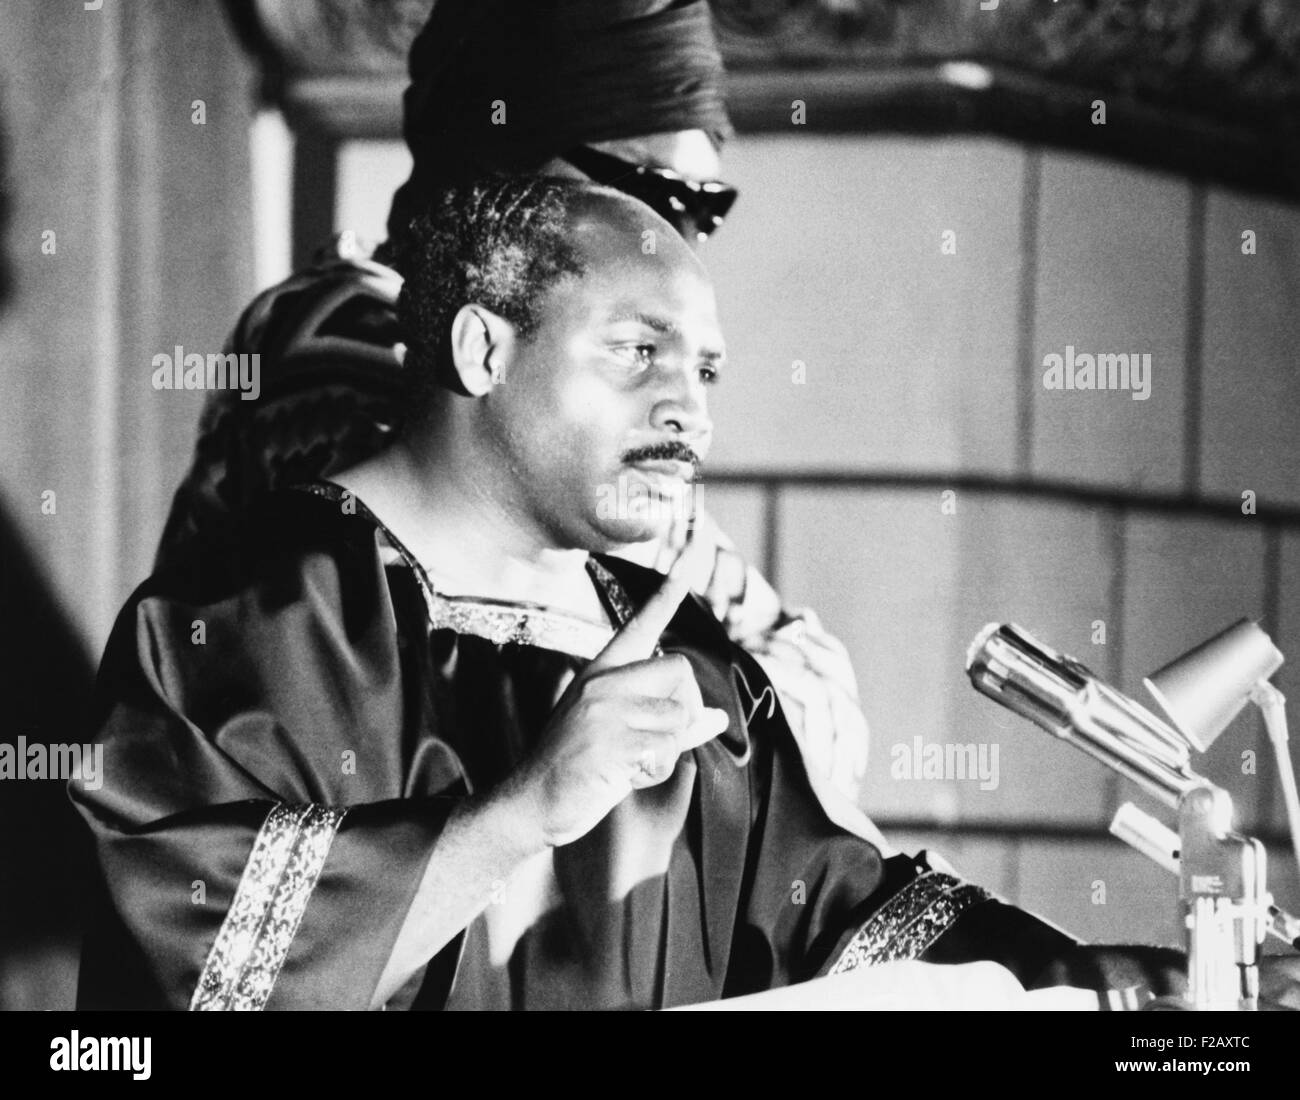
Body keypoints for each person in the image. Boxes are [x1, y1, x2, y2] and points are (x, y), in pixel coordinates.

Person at [74, 176, 1208, 1011]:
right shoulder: (239, 623)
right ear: (481, 348)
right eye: (639, 353)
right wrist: (521, 813)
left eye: (704, 370)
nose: (692, 412)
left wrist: (1165, 1000)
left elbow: (849, 923)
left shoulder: (684, 650)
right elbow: (195, 977)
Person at [155, 0, 873, 806]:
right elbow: (500, 716)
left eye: (706, 209)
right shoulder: (341, 332)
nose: (677, 242)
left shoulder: (579, 406)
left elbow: (811, 714)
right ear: (507, 158)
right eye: (653, 195)